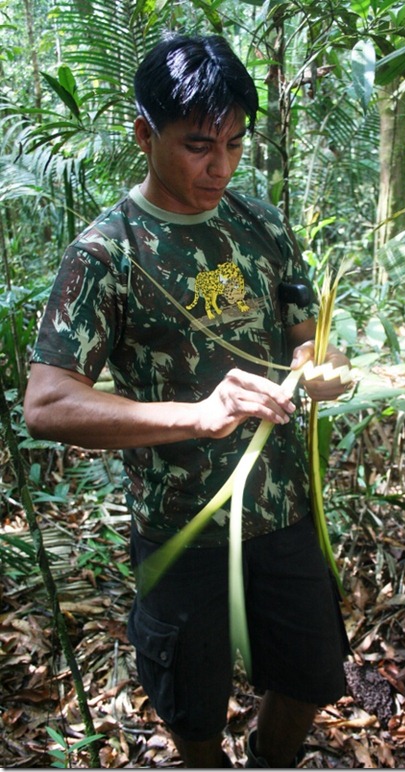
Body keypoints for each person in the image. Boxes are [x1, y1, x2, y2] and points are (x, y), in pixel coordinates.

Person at [24, 33, 351, 768]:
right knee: (191, 703)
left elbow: (311, 338)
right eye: (200, 145)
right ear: (144, 133)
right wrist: (196, 415)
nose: (220, 167)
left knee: (309, 676)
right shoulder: (108, 254)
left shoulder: (259, 223)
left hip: (284, 515)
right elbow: (46, 403)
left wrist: (324, 366)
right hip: (183, 533)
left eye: (235, 144)